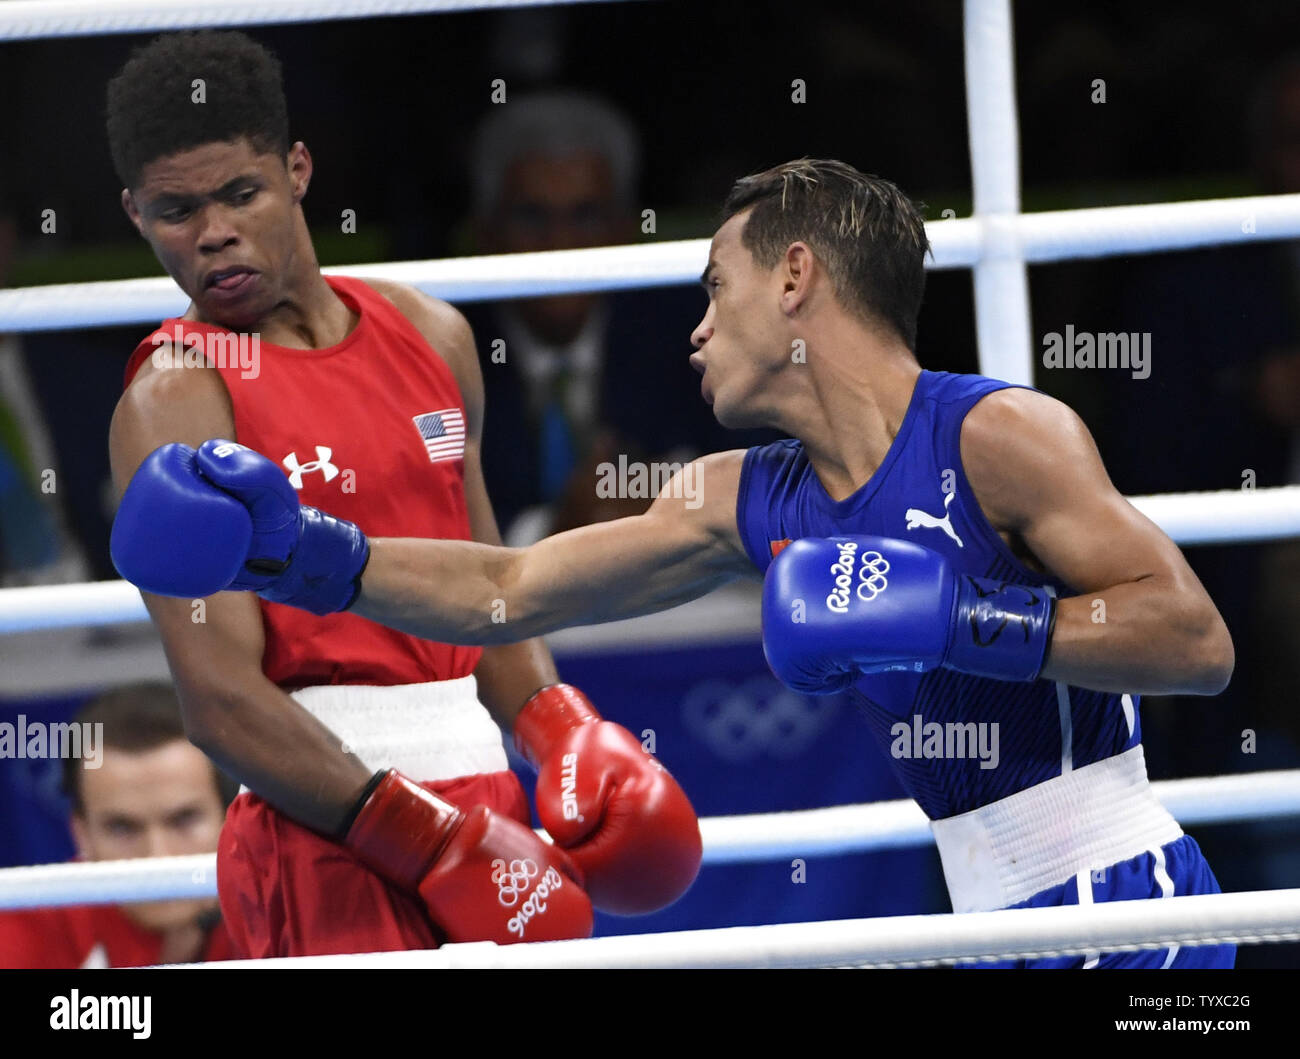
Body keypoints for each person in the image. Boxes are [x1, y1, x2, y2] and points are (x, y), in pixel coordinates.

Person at [112, 157, 1237, 968]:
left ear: (794, 276)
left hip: (1120, 902)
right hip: (985, 910)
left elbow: (1194, 640)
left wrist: (963, 622)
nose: (693, 328)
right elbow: (507, 591)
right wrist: (309, 553)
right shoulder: (740, 494)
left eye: (715, 286)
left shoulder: (995, 435)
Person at [102, 29, 701, 959]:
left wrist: (560, 731)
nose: (213, 230)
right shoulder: (175, 398)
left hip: (482, 798)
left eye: (240, 193)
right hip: (326, 834)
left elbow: (492, 591)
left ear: (297, 170)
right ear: (136, 212)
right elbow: (218, 699)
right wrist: (422, 840)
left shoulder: (432, 335)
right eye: (176, 209)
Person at [0, 683, 236, 967]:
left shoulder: (278, 916)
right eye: (123, 828)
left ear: (230, 819)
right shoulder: (24, 928)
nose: (157, 857)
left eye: (183, 819)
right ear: (81, 833)